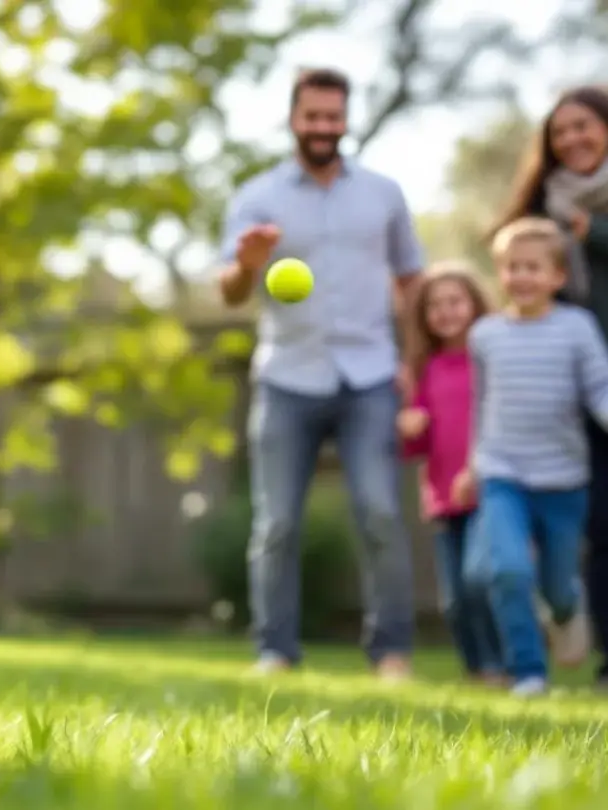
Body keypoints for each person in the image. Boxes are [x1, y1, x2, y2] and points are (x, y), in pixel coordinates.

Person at [217, 67, 424, 679]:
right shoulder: (257, 198)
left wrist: (412, 361)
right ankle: (275, 651)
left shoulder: (383, 194)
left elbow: (412, 280)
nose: (323, 127)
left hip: (370, 376)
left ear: (346, 119)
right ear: (293, 119)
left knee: (381, 514)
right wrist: (247, 265)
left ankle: (391, 652)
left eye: (333, 116)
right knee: (277, 523)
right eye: (313, 116)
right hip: (287, 376)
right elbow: (230, 293)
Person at [458, 217, 608, 695]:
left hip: (564, 478)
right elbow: (482, 404)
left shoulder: (577, 328)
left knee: (558, 585)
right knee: (507, 569)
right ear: (499, 273)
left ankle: (566, 607)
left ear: (557, 276)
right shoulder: (485, 335)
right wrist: (472, 464)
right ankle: (528, 672)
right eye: (512, 267)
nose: (521, 276)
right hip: (502, 472)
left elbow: (599, 387)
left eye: (533, 267)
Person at [495, 85, 608, 687]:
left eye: (583, 126)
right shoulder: (543, 208)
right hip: (572, 391)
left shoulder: (587, 219)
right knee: (599, 531)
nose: (571, 139)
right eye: (560, 131)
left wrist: (596, 234)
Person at [397, 262, 504, 685]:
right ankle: (476, 670)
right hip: (444, 497)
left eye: (455, 301)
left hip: (490, 489)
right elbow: (416, 447)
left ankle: (500, 665)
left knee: (480, 582)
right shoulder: (426, 369)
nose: (445, 312)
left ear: (475, 304)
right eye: (435, 305)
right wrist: (410, 428)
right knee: (455, 600)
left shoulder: (491, 360)